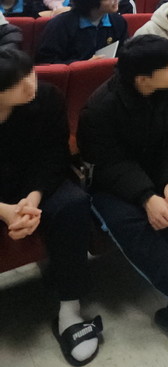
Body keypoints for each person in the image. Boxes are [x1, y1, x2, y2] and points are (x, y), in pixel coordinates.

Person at [78, 35, 168, 351]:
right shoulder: (100, 108)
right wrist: (146, 196)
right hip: (113, 181)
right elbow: (107, 163)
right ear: (143, 78)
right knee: (126, 219)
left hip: (159, 165)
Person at [0, 49, 102, 366]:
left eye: (30, 74)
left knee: (73, 204)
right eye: (16, 83)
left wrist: (33, 198)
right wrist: (5, 211)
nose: (29, 85)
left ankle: (70, 309)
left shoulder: (46, 97)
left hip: (33, 183)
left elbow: (53, 154)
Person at [36, 0, 128, 64]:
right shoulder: (61, 24)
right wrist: (83, 65)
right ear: (92, 0)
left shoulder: (118, 21)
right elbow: (46, 60)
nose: (116, 0)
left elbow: (124, 52)